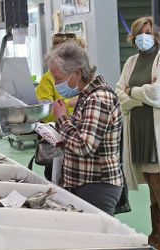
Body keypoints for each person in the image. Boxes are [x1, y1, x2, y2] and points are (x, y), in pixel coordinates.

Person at [115, 16, 160, 250]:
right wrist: (139, 96)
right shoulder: (131, 61)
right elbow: (119, 92)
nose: (144, 36)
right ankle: (157, 231)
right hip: (137, 127)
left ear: (156, 35)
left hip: (155, 128)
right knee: (150, 180)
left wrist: (134, 92)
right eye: (140, 32)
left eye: (149, 32)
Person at [48, 41, 124, 216]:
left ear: (77, 73)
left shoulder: (98, 99)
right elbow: (80, 134)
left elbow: (84, 146)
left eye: (59, 79)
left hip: (96, 185)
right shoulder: (86, 96)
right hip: (85, 183)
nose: (57, 84)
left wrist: (61, 119)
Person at [35, 32, 86, 180]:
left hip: (75, 138)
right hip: (56, 136)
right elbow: (45, 107)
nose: (58, 83)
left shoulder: (91, 89)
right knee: (55, 177)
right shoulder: (48, 79)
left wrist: (66, 104)